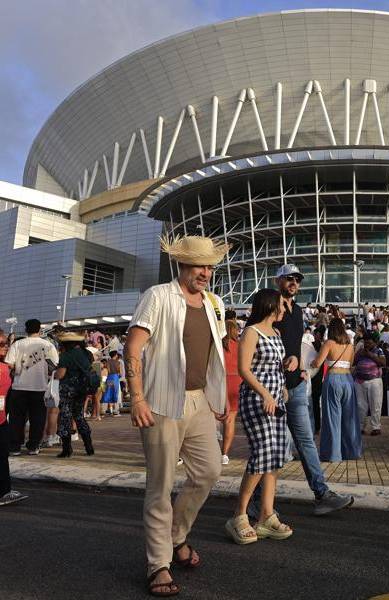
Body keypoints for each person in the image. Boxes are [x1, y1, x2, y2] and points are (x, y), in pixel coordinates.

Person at [125, 236, 230, 597]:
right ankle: (159, 564)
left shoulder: (215, 303)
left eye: (210, 267)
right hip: (160, 402)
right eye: (199, 266)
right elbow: (133, 346)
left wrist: (221, 396)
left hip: (199, 401)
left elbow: (216, 352)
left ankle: (176, 536)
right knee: (161, 484)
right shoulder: (158, 296)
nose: (206, 273)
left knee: (209, 470)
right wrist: (136, 397)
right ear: (182, 266)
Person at [248, 264, 354, 520]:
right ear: (278, 280)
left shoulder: (296, 311)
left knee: (305, 442)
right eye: (289, 278)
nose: (294, 282)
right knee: (273, 447)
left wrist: (300, 365)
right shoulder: (266, 309)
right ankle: (254, 502)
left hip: (295, 386)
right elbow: (254, 347)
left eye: (298, 279)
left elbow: (294, 346)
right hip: (274, 388)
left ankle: (322, 494)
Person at [226, 289, 292, 544]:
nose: (285, 309)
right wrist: (265, 393)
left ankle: (266, 514)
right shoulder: (252, 332)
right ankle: (240, 514)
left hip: (274, 398)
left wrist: (287, 369)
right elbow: (244, 369)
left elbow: (272, 365)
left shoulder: (276, 333)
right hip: (257, 398)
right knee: (262, 451)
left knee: (275, 456)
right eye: (282, 305)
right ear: (270, 306)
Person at [5, 319, 59, 456]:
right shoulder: (48, 345)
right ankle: (33, 446)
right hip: (39, 387)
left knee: (17, 418)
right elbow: (54, 366)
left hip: (19, 386)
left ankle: (15, 446)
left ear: (26, 329)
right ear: (40, 329)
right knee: (38, 418)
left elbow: (9, 364)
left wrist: (17, 368)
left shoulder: (17, 344)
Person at [311, 318, 361, 462]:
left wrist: (311, 362)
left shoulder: (329, 343)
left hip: (333, 379)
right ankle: (352, 452)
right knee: (350, 417)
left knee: (332, 418)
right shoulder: (350, 346)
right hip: (348, 380)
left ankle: (332, 454)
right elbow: (350, 364)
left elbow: (318, 363)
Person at [53, 332, 94, 457]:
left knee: (65, 417)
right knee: (79, 416)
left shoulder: (66, 355)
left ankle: (67, 449)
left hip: (68, 390)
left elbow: (60, 374)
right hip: (82, 390)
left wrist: (54, 373)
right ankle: (89, 447)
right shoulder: (86, 354)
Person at [1, 331, 28, 506]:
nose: (5, 346)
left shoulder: (5, 368)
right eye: (1, 343)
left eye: (5, 343)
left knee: (2, 455)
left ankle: (4, 491)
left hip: (1, 419)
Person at [354, 331, 386, 436]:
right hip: (360, 381)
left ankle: (376, 427)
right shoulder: (360, 351)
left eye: (369, 343)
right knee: (360, 405)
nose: (367, 344)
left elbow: (383, 363)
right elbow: (353, 361)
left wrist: (370, 355)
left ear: (374, 343)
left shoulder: (379, 350)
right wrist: (359, 353)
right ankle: (361, 427)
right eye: (365, 342)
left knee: (375, 404)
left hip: (375, 381)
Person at [221, 319, 242, 465]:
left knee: (212, 418)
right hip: (237, 382)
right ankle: (224, 454)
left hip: (221, 381)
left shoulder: (218, 345)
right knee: (230, 420)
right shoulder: (240, 346)